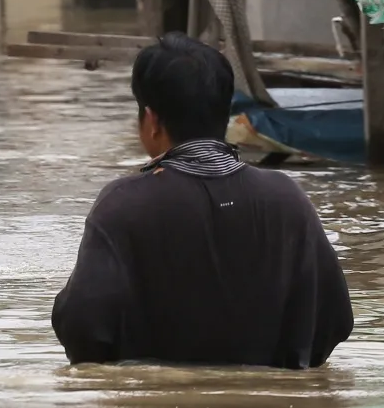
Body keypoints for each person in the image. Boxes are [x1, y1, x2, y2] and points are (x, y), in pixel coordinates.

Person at [51, 34, 354, 368]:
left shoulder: (122, 204)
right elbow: (335, 319)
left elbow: (81, 327)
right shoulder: (287, 198)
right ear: (223, 115)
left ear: (151, 121)